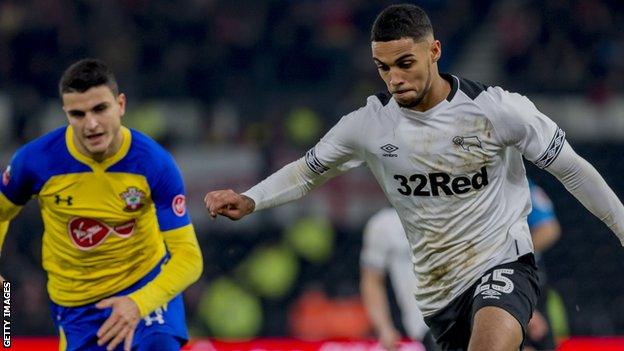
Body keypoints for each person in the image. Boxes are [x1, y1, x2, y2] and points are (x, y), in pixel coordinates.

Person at [204, 4, 624, 351]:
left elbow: (573, 169)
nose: (394, 79)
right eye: (383, 68)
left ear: (434, 51)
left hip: (505, 265)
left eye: (405, 63)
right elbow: (308, 171)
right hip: (438, 295)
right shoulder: (368, 125)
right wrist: (251, 199)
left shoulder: (498, 111)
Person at [0, 59, 203, 351]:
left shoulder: (154, 163)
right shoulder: (36, 161)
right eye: (77, 114)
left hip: (144, 289)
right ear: (65, 114)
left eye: (100, 109)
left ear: (120, 105)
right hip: (77, 308)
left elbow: (188, 257)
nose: (91, 124)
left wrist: (138, 302)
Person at [360, 207, 437, 351]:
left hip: (461, 314)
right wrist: (384, 328)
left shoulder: (452, 213)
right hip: (424, 326)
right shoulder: (384, 224)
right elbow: (371, 280)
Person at [524, 180, 562, 350]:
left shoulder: (523, 185)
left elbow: (549, 229)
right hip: (514, 289)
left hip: (529, 285)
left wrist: (513, 256)